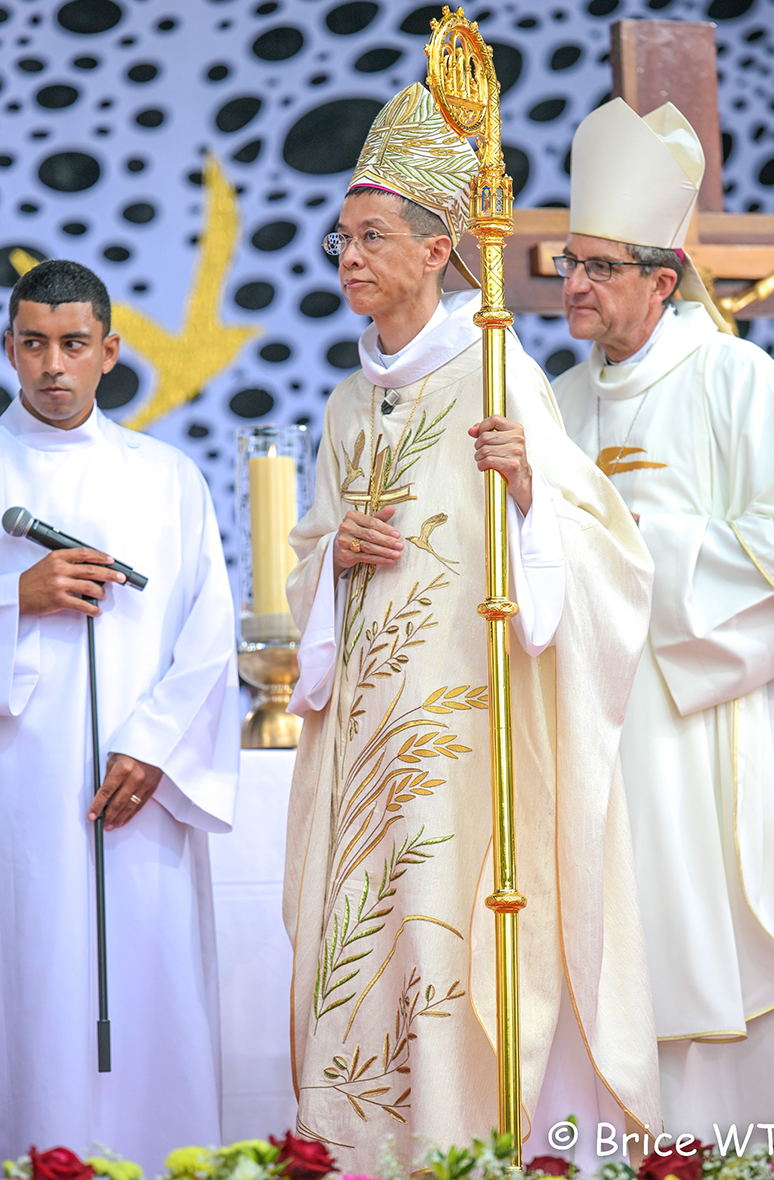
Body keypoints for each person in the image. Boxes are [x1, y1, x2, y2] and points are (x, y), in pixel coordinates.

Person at [281, 81, 660, 1171]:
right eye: (338, 237)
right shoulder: (351, 404)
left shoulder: (499, 371)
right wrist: (335, 556)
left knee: (451, 943)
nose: (346, 256)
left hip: (465, 744)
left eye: (370, 236)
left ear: (440, 248)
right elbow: (308, 556)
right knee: (361, 949)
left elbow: (604, 554)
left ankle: (466, 1146)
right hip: (364, 747)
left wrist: (535, 487)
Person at [552, 97, 774, 1136]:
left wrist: (629, 543)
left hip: (700, 722)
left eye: (596, 267)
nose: (571, 286)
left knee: (704, 934)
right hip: (590, 727)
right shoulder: (558, 404)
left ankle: (750, 1150)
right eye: (567, 266)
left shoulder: (733, 378)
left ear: (658, 281)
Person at [0, 260, 240, 1174]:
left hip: (137, 801)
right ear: (9, 349)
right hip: (3, 801)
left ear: (110, 352)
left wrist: (154, 748)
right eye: (34, 343)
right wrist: (15, 594)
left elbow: (210, 633)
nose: (53, 365)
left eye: (73, 344)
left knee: (148, 992)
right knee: (23, 994)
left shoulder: (165, 478)